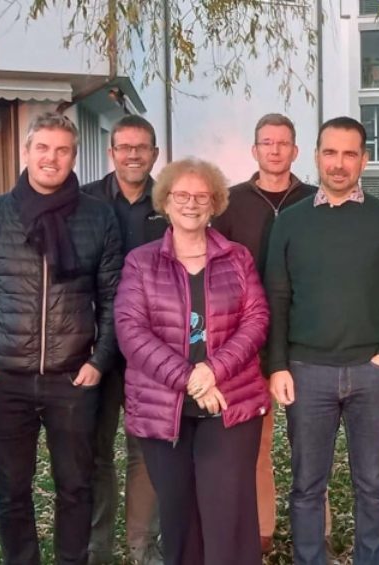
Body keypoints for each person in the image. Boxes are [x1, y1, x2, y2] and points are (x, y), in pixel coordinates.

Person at [0, 112, 123, 564]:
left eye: (63, 150)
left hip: (72, 380)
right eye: (43, 148)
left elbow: (114, 297)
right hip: (5, 379)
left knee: (76, 488)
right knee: (11, 492)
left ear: (74, 156)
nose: (52, 158)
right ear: (26, 151)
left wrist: (99, 361)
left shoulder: (97, 217)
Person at [266, 116, 379, 565]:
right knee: (306, 485)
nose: (338, 164)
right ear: (316, 156)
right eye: (330, 152)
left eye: (349, 154)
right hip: (306, 372)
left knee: (372, 483)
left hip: (370, 374)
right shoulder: (290, 222)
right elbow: (275, 295)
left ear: (364, 160)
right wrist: (277, 364)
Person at [115, 158, 270, 565]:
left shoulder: (237, 258)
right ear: (165, 201)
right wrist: (188, 379)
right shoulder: (141, 262)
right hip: (165, 408)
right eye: (182, 195)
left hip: (229, 404)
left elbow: (257, 320)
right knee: (180, 517)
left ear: (215, 203)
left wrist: (212, 371)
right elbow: (131, 332)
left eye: (202, 196)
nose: (191, 203)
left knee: (228, 516)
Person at [210, 112, 320, 553]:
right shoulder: (230, 203)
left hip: (307, 336)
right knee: (254, 444)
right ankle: (261, 531)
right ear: (255, 150)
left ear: (295, 152)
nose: (275, 151)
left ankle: (318, 530)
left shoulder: (315, 199)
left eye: (283, 144)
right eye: (266, 143)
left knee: (310, 445)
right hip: (247, 341)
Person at [81, 114, 166, 565]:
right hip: (96, 349)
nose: (133, 154)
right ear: (112, 151)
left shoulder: (170, 202)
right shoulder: (86, 202)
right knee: (96, 454)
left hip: (152, 353)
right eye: (124, 146)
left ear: (154, 153)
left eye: (142, 147)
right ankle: (98, 550)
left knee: (145, 452)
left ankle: (142, 547)